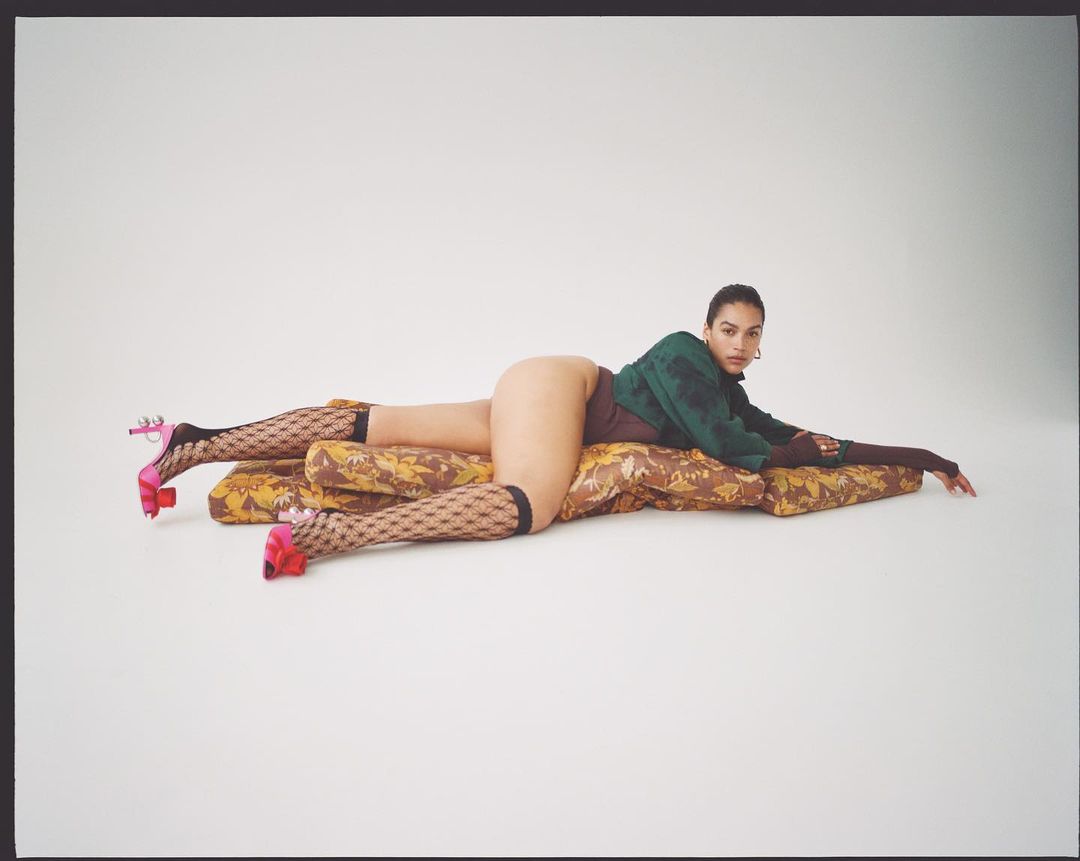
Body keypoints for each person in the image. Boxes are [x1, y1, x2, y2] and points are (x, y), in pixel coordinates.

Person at [128, 284, 975, 579]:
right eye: (730, 328)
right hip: (563, 392)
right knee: (531, 501)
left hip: (533, 392)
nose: (739, 344)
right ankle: (325, 536)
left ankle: (195, 443)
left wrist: (925, 457)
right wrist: (786, 450)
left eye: (752, 335)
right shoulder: (684, 358)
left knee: (377, 423)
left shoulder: (732, 394)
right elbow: (731, 449)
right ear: (707, 327)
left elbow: (800, 438)